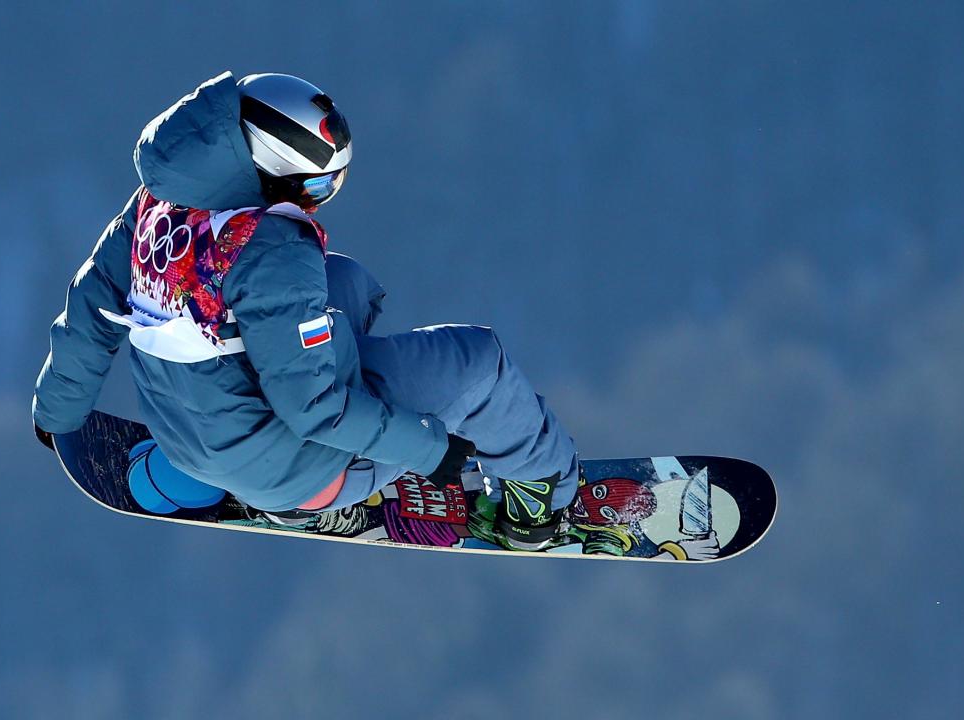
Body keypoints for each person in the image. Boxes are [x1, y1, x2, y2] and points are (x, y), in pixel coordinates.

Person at [31, 71, 579, 550]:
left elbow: (89, 313)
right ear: (271, 172)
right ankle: (537, 506)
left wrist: (57, 412)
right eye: (318, 186)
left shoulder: (159, 203)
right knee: (480, 364)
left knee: (345, 282)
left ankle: (251, 475)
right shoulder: (271, 250)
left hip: (186, 436)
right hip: (295, 468)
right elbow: (312, 408)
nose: (319, 200)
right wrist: (429, 448)